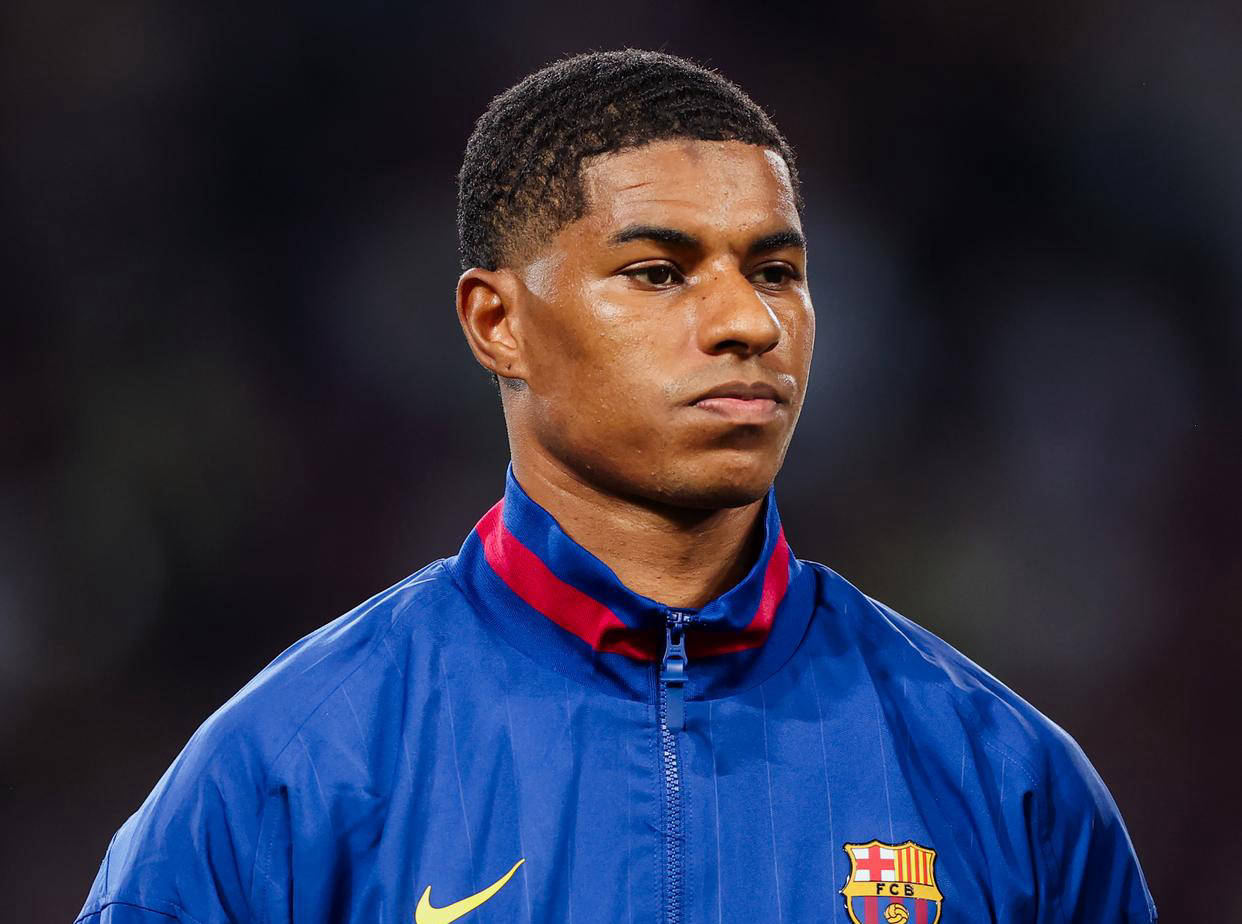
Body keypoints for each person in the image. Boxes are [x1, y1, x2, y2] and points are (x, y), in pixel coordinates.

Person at [76, 49, 1157, 924]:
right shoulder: (289, 771)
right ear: (498, 323)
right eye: (659, 272)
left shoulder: (1007, 780)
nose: (748, 323)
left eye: (776, 271)